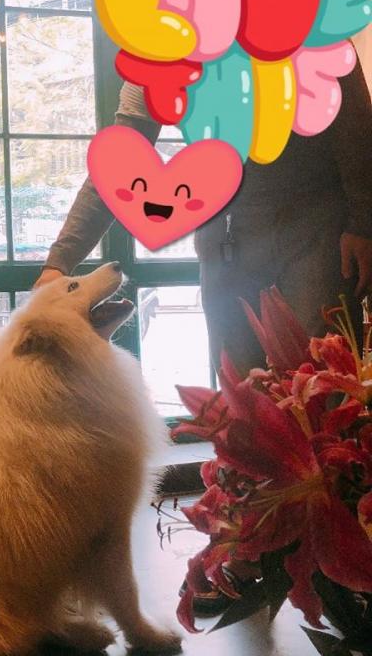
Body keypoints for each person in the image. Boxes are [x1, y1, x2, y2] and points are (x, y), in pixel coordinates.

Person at [35, 56, 372, 613]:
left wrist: (363, 222)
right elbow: (123, 159)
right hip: (225, 241)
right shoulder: (157, 48)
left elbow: (355, 121)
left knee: (317, 392)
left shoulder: (307, 26)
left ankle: (342, 569)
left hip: (317, 229)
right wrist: (59, 261)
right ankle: (245, 550)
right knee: (238, 402)